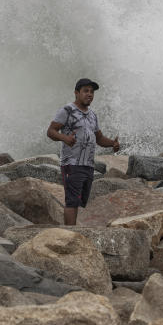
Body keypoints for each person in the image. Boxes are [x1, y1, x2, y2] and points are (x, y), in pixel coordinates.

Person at [46, 78, 120, 226]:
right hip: (72, 163)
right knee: (72, 201)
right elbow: (51, 131)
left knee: (79, 200)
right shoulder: (67, 110)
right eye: (86, 91)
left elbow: (99, 138)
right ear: (76, 93)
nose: (90, 94)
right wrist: (65, 138)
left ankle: (72, 229)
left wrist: (112, 143)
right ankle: (71, 233)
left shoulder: (92, 115)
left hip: (88, 165)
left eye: (92, 92)